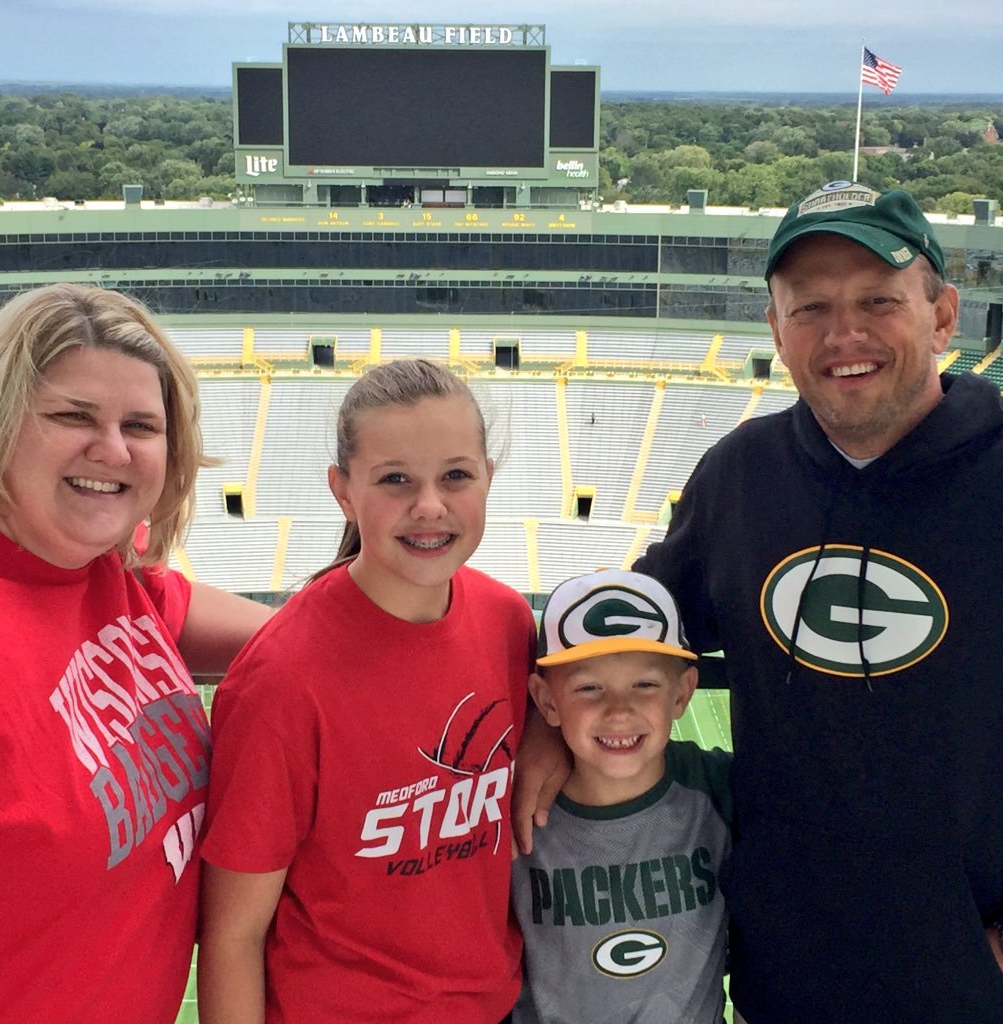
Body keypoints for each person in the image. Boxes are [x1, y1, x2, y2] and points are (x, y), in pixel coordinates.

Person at [516, 183, 1003, 1023]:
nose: (843, 334)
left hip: (969, 986)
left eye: (877, 301)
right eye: (809, 307)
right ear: (776, 331)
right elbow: (621, 635)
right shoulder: (741, 475)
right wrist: (539, 730)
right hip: (785, 979)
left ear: (942, 315)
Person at [197, 358, 536, 1024]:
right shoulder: (283, 679)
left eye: (456, 476)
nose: (430, 505)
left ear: (488, 480)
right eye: (395, 480)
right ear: (343, 492)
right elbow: (233, 935)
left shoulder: (506, 622)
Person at [0, 282, 273, 1024]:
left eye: (140, 425)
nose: (111, 449)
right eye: (72, 416)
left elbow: (315, 644)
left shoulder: (114, 581)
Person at [511, 569, 731, 1024]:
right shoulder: (513, 809)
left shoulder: (718, 789)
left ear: (682, 692)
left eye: (645, 685)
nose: (618, 710)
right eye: (589, 688)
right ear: (546, 701)